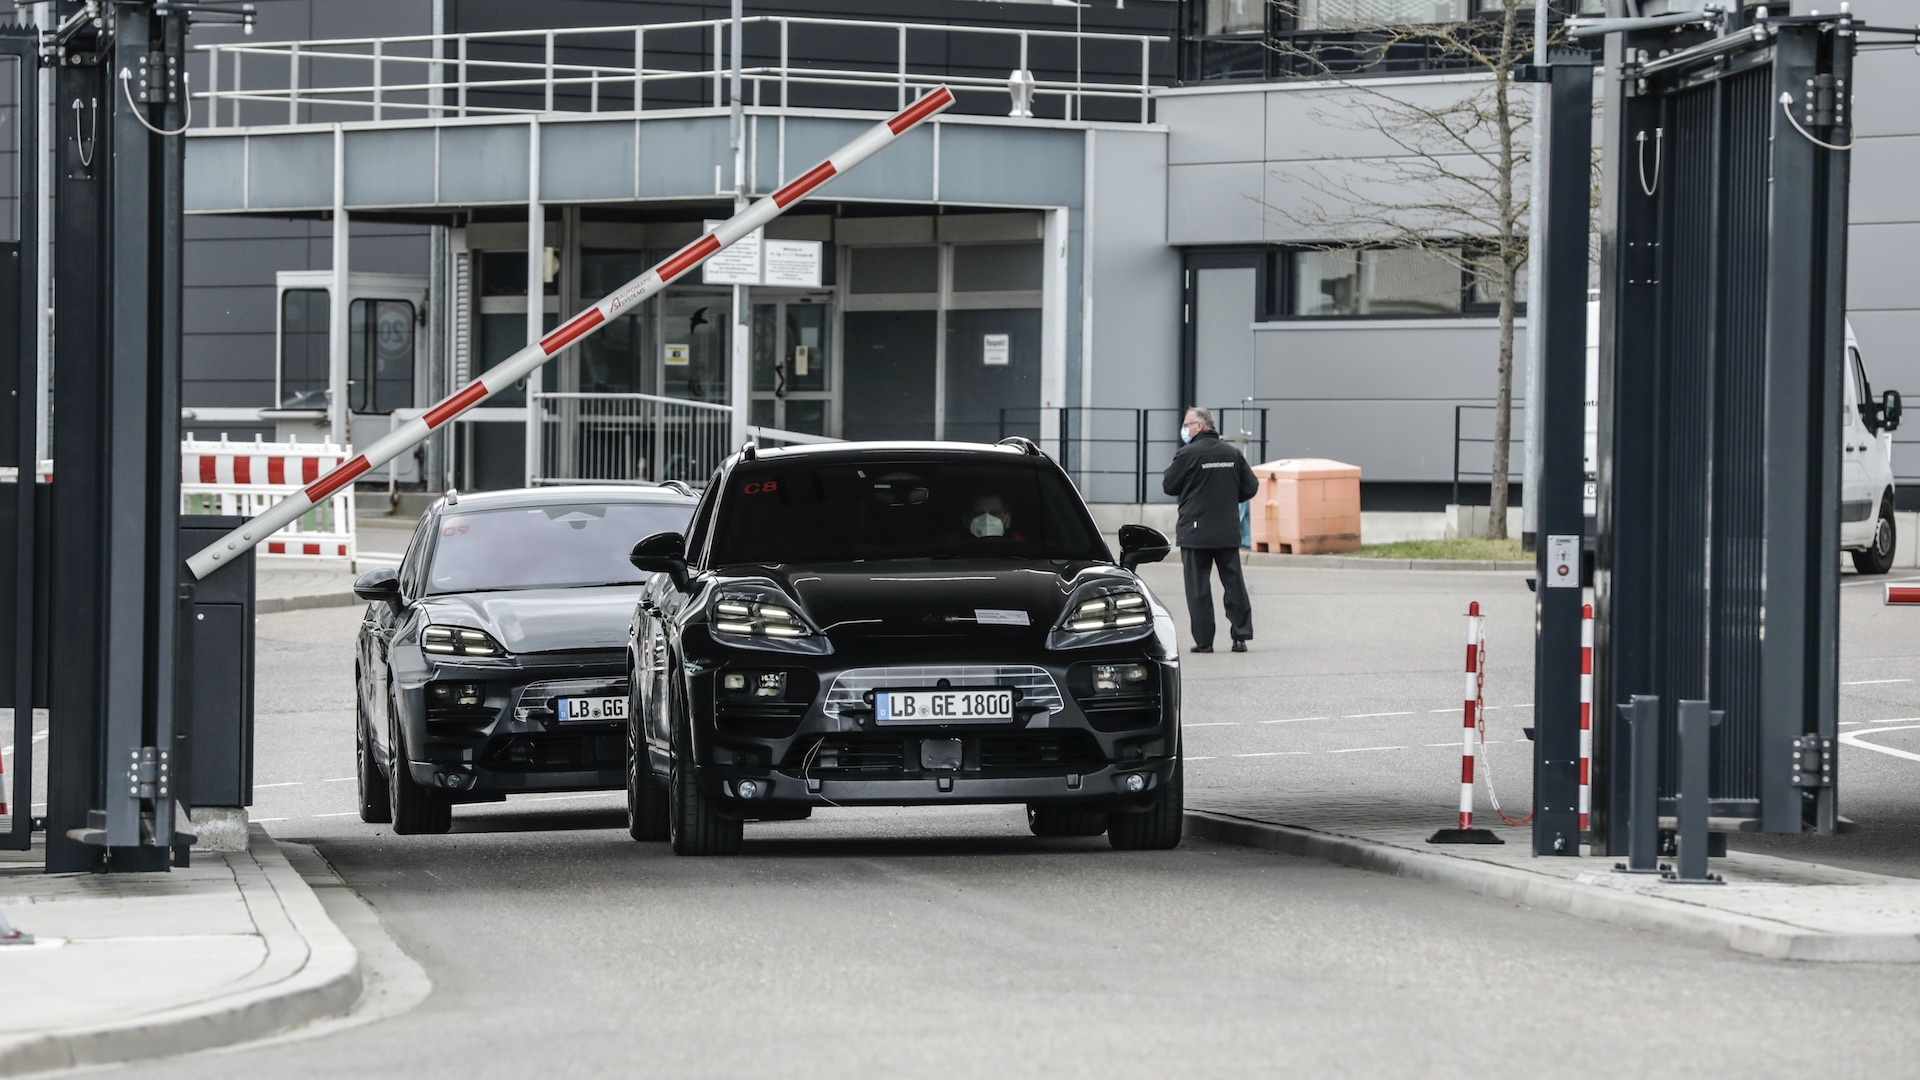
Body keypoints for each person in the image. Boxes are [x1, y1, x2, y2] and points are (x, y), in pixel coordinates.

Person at [1162, 407, 1258, 653]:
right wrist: (1227, 499)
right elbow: (1251, 486)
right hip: (1226, 530)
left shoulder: (1187, 454)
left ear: (1199, 427)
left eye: (1187, 424)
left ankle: (1204, 642)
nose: (1184, 429)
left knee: (1198, 588)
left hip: (1195, 532)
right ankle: (1241, 637)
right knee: (1233, 583)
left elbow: (1169, 485)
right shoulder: (1232, 454)